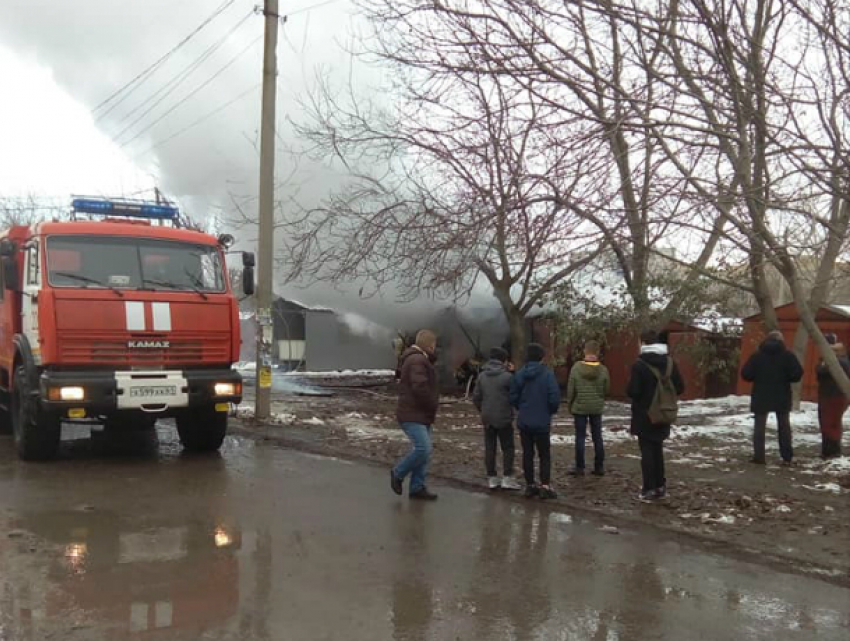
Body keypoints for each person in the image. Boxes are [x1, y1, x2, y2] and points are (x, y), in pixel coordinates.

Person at [627, 330, 685, 502]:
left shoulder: (639, 365)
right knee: (658, 449)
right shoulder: (669, 363)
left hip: (644, 414)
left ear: (644, 343)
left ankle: (649, 488)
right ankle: (660, 486)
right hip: (664, 411)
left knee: (647, 451)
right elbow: (680, 387)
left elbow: (633, 391)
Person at [740, 329, 804, 465]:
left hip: (761, 395)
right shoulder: (788, 356)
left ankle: (759, 457)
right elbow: (797, 374)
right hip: (782, 395)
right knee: (784, 426)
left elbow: (746, 374)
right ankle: (787, 457)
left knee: (759, 427)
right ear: (781, 341)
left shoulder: (757, 356)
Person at [391, 329, 440, 500]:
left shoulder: (418, 359)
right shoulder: (417, 360)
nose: (435, 348)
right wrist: (432, 403)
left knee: (424, 452)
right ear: (429, 345)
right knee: (423, 448)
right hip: (413, 412)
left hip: (419, 412)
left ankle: (417, 487)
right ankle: (398, 473)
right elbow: (420, 387)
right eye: (434, 345)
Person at [510, 343, 561, 499]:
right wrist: (549, 411)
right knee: (544, 454)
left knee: (527, 453)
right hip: (542, 421)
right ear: (541, 357)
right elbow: (554, 397)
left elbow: (513, 396)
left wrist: (522, 408)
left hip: (525, 421)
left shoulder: (519, 374)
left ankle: (530, 485)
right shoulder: (547, 375)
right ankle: (545, 486)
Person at [473, 347, 521, 491]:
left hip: (487, 417)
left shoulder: (482, 376)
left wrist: (483, 410)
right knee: (508, 447)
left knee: (490, 447)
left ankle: (492, 478)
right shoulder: (507, 377)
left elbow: (476, 397)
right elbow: (515, 395)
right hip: (504, 417)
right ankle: (507, 477)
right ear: (504, 361)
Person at [566, 340, 610, 476]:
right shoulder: (603, 370)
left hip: (579, 406)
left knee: (580, 437)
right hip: (596, 407)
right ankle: (599, 466)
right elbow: (606, 390)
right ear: (597, 353)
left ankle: (579, 467)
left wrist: (570, 404)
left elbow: (571, 389)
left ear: (585, 351)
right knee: (597, 436)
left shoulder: (576, 368)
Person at [816, 342, 850, 459]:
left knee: (829, 423)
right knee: (831, 422)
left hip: (833, 396)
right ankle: (830, 449)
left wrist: (822, 363)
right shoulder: (843, 362)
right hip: (833, 395)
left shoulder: (839, 363)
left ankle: (831, 450)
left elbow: (820, 371)